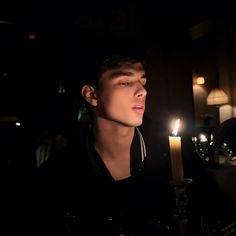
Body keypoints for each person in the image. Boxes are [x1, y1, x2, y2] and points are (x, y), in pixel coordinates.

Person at [34, 43, 224, 236]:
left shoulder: (174, 151)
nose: (143, 92)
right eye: (125, 82)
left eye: (142, 81)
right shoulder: (61, 173)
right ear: (92, 95)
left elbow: (218, 215)